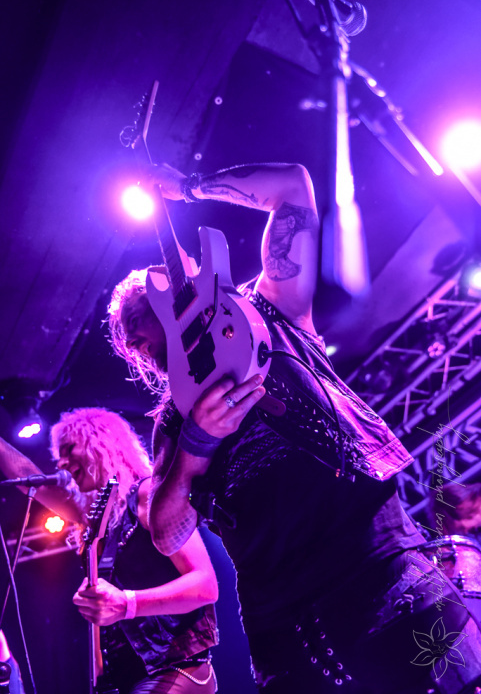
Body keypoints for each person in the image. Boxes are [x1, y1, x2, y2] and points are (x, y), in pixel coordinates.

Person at [108, 162, 481, 693]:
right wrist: (197, 442)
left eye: (153, 322)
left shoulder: (270, 310)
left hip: (379, 567)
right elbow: (167, 533)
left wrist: (187, 186)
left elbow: (292, 186)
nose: (155, 348)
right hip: (286, 628)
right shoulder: (173, 420)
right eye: (145, 345)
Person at [0, 408, 218, 694]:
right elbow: (29, 477)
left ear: (101, 443)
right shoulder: (93, 516)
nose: (62, 463)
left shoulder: (147, 495)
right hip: (127, 678)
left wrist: (127, 603)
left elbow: (205, 585)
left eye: (69, 449)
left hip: (176, 669)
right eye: (59, 456)